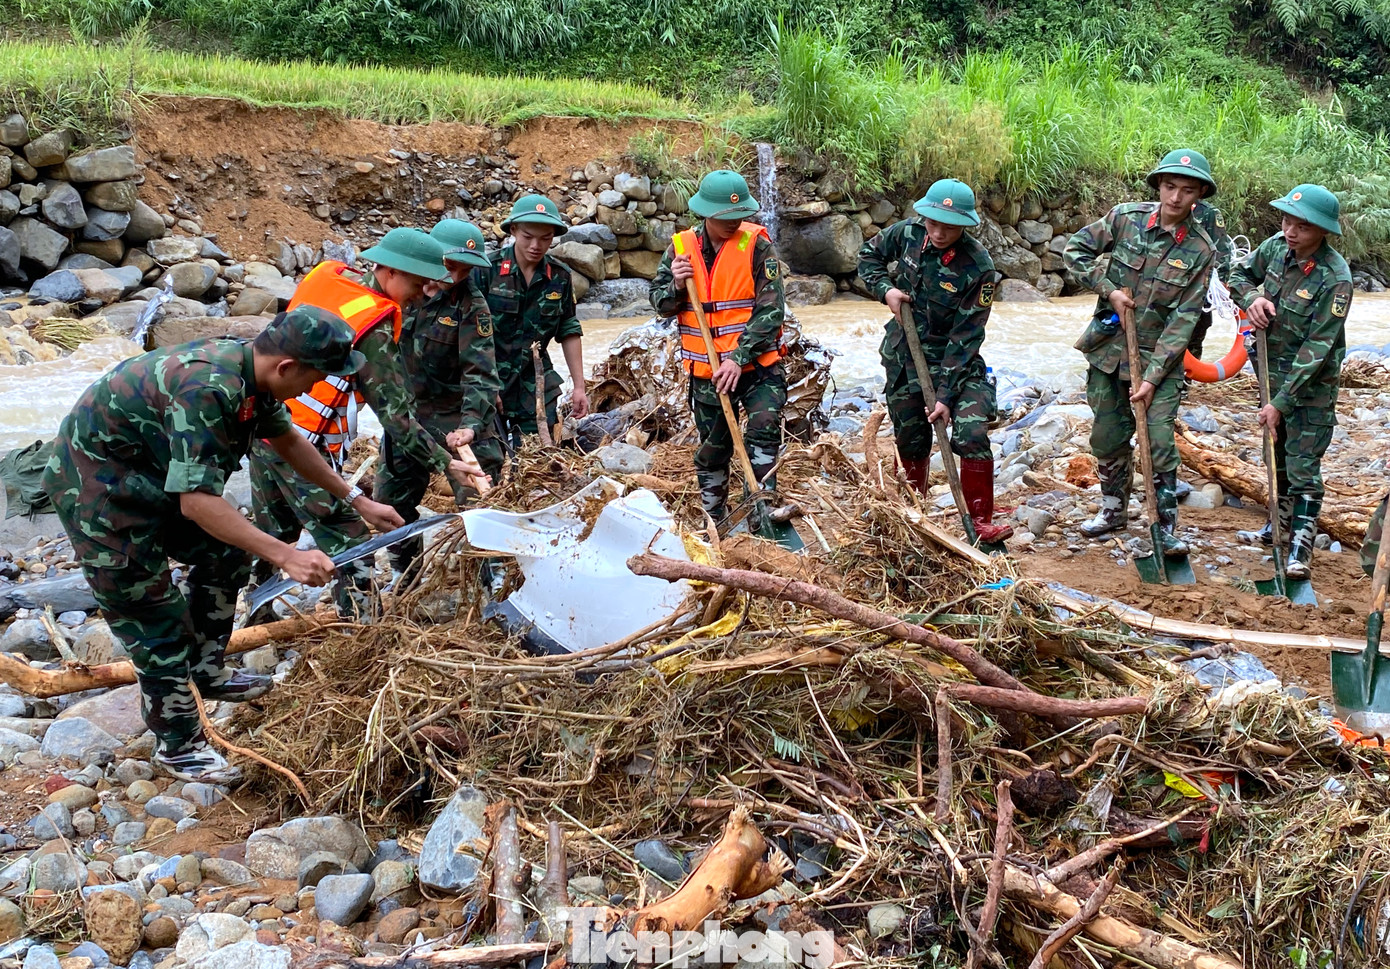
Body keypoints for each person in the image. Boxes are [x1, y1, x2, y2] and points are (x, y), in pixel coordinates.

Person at [41, 308, 404, 781]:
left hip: (155, 476)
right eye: (319, 376)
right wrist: (286, 555)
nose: (317, 387)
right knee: (155, 617)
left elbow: (289, 442)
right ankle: (178, 746)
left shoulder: (254, 375)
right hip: (98, 490)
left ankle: (206, 670)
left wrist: (357, 499)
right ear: (288, 367)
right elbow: (198, 505)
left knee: (226, 553)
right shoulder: (208, 388)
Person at [247, 228, 480, 615]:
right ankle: (362, 633)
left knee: (275, 530)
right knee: (350, 537)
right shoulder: (375, 322)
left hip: (265, 424)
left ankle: (256, 614)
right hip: (302, 443)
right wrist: (445, 463)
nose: (422, 293)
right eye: (418, 282)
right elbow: (395, 416)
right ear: (389, 272)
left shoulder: (331, 276)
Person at [1064, 149, 1218, 556]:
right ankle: (1113, 509)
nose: (1175, 198)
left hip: (1159, 361)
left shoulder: (1201, 249)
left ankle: (1165, 526)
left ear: (1199, 194)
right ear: (1159, 187)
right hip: (1108, 348)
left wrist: (1151, 378)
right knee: (1108, 435)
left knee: (1159, 439)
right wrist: (1108, 289)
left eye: (1187, 191)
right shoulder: (1124, 218)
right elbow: (1074, 252)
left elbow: (1185, 319)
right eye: (1169, 187)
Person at [857, 177, 1013, 543]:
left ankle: (979, 521)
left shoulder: (978, 267)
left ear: (965, 225)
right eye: (934, 223)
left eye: (950, 226)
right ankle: (911, 515)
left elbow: (967, 336)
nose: (940, 232)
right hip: (904, 356)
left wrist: (945, 395)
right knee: (910, 440)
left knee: (972, 431)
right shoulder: (908, 233)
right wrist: (887, 291)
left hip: (956, 363)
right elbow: (868, 258)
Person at [1228, 184, 1352, 580]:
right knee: (1274, 453)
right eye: (1286, 221)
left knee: (1302, 465)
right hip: (1270, 371)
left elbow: (1318, 347)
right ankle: (1276, 527)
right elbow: (1237, 273)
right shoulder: (1276, 248)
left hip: (1310, 386)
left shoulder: (1336, 278)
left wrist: (1281, 403)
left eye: (1303, 226)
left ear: (1323, 231)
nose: (1291, 231)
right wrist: (1252, 299)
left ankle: (1301, 543)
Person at [649, 170, 786, 522]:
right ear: (705, 213)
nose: (734, 222)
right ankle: (715, 517)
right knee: (713, 448)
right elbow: (658, 303)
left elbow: (771, 310)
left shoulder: (757, 245)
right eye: (725, 216)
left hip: (757, 366)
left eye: (740, 215)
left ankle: (762, 511)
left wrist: (739, 358)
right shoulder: (680, 249)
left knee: (764, 430)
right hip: (707, 372)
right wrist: (677, 287)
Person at [375, 218, 502, 578]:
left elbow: (481, 374)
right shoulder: (398, 292)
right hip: (407, 415)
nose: (453, 276)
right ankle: (406, 576)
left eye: (464, 271)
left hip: (455, 415)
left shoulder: (471, 307)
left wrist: (471, 426)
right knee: (391, 501)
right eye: (449, 266)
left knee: (481, 501)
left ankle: (489, 581)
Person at [476, 195, 589, 446]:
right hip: (486, 381)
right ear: (513, 230)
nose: (536, 245)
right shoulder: (486, 271)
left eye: (545, 238)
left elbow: (568, 329)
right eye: (528, 237)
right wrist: (483, 383)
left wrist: (579, 387)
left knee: (538, 461)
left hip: (535, 386)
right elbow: (466, 336)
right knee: (487, 461)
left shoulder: (559, 276)